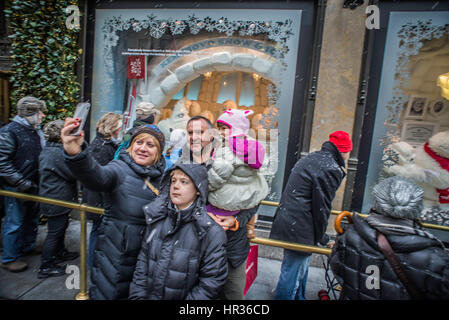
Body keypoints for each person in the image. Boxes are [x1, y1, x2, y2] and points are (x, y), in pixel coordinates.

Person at [61, 119, 165, 300]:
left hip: (146, 259)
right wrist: (75, 152)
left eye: (150, 145)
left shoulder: (162, 178)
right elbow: (96, 176)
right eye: (138, 142)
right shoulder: (119, 169)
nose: (143, 148)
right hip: (116, 257)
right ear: (130, 146)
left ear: (159, 152)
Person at [177, 114, 260, 300]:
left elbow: (253, 197)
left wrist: (236, 220)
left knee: (232, 296)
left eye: (200, 132)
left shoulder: (235, 154)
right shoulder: (184, 160)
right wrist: (202, 214)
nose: (194, 136)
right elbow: (175, 200)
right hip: (195, 246)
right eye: (190, 132)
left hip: (232, 249)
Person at [329, 176, 449, 299]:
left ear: (376, 203)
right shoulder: (436, 259)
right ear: (417, 208)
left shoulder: (351, 236)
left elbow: (339, 270)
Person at [270, 130, 352, 300]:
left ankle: (300, 297)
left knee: (298, 267)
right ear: (344, 151)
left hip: (292, 221)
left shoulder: (313, 157)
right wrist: (321, 236)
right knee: (291, 273)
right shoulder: (331, 167)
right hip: (300, 226)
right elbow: (322, 207)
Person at [129, 163, 228, 300]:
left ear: (198, 189)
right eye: (173, 181)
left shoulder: (211, 233)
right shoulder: (157, 220)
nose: (175, 186)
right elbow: (142, 265)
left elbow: (210, 283)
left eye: (184, 182)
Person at [0, 96, 46, 272]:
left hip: (32, 183)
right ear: (30, 113)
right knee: (14, 223)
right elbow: (3, 163)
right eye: (39, 112)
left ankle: (27, 245)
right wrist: (20, 182)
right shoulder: (9, 131)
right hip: (16, 187)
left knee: (30, 219)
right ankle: (9, 257)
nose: (42, 115)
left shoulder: (35, 130)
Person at [37, 120, 79, 278]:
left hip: (56, 196)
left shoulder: (50, 150)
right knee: (54, 233)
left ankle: (60, 253)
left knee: (60, 229)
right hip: (56, 198)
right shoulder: (57, 153)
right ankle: (46, 266)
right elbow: (71, 173)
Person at [84, 112, 122, 268]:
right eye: (119, 128)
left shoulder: (104, 144)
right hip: (98, 201)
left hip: (99, 199)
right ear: (112, 129)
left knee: (99, 232)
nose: (121, 132)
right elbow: (99, 178)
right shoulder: (101, 148)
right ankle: (94, 265)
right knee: (98, 232)